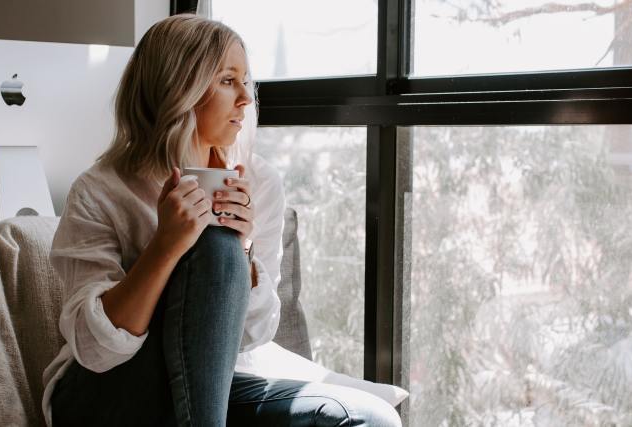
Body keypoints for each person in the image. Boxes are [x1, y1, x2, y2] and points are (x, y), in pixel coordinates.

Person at [41, 14, 402, 427]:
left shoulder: (258, 182)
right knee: (213, 244)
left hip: (208, 384)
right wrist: (166, 246)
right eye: (228, 81)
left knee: (366, 418)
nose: (246, 100)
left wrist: (243, 250)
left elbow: (252, 336)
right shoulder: (101, 190)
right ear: (179, 89)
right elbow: (95, 350)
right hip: (102, 395)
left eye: (246, 82)